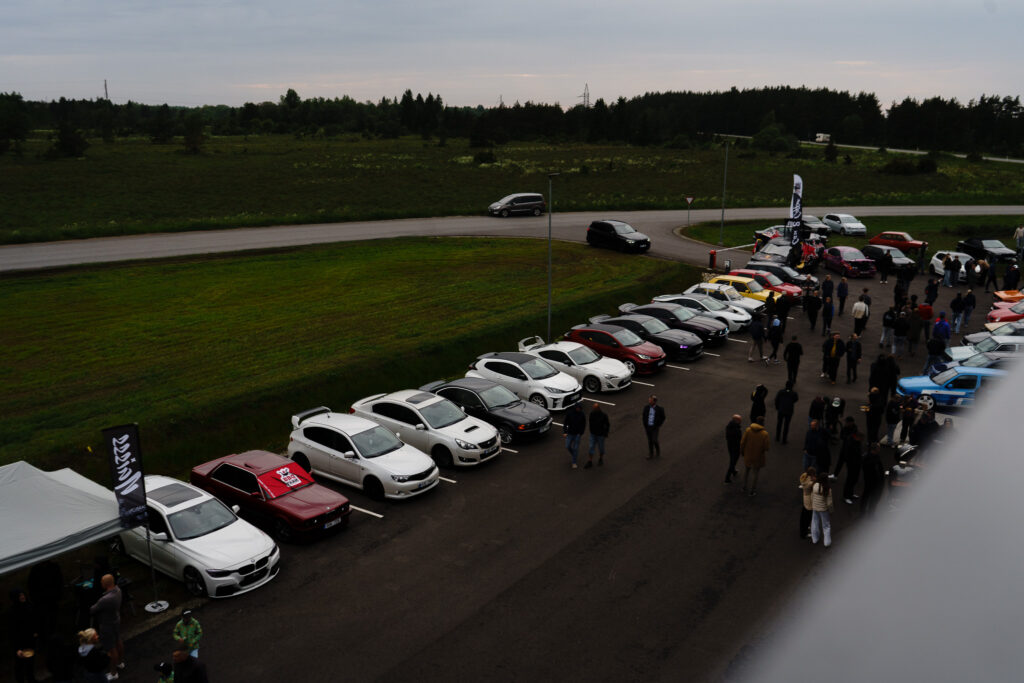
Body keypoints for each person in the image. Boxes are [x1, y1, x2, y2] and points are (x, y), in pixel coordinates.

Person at [89, 574, 122, 680]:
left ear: (106, 584)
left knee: (111, 649)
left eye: (102, 582)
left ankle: (113, 672)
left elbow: (92, 609)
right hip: (116, 620)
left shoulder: (105, 599)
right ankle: (120, 663)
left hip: (107, 625)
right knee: (118, 641)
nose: (100, 583)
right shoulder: (118, 590)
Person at [9, 588, 37, 683]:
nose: (22, 597)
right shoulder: (13, 612)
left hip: (30, 639)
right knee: (19, 664)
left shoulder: (29, 606)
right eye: (20, 596)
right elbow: (13, 632)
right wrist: (17, 648)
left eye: (23, 595)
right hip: (20, 642)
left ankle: (31, 678)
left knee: (30, 662)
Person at [740, 417, 770, 497]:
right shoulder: (764, 434)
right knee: (755, 473)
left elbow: (742, 442)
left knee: (746, 471)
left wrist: (742, 452)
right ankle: (752, 491)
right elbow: (766, 447)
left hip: (748, 454)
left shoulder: (748, 430)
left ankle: (744, 487)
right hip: (758, 457)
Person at [861, 443, 885, 516]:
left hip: (869, 480)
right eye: (879, 448)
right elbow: (877, 471)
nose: (879, 449)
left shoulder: (867, 457)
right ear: (876, 449)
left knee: (866, 496)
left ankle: (863, 512)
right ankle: (870, 513)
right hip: (873, 481)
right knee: (873, 498)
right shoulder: (874, 459)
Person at [810, 475, 835, 547]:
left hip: (815, 507)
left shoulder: (815, 485)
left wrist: (813, 505)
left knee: (815, 522)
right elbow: (829, 503)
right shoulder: (827, 489)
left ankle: (815, 539)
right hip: (823, 509)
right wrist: (831, 511)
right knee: (826, 525)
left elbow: (812, 497)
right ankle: (827, 542)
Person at [585, 403, 609, 468]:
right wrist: (591, 430)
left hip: (600, 435)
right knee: (591, 447)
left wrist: (605, 433)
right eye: (593, 408)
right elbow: (590, 422)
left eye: (595, 408)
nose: (594, 409)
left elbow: (607, 424)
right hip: (593, 434)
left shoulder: (603, 415)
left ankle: (600, 458)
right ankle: (590, 461)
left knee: (601, 448)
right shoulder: (592, 414)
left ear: (598, 408)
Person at [563, 403, 586, 469]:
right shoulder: (570, 413)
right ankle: (574, 455)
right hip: (570, 433)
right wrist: (565, 432)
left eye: (580, 408)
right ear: (575, 408)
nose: (579, 409)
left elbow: (583, 424)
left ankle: (574, 462)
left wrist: (581, 433)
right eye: (578, 408)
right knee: (567, 446)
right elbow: (565, 422)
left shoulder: (582, 414)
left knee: (576, 448)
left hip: (577, 435)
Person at [641, 395, 665, 460]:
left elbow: (663, 417)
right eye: (649, 400)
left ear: (654, 402)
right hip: (648, 427)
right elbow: (644, 416)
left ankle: (658, 450)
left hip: (655, 428)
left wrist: (658, 425)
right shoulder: (646, 408)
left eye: (650, 400)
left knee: (654, 440)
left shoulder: (660, 409)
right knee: (650, 441)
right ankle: (651, 454)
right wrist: (645, 425)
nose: (649, 401)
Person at [724, 414, 742, 483]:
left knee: (732, 458)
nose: (741, 421)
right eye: (740, 420)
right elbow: (739, 440)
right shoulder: (737, 430)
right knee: (733, 461)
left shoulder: (729, 427)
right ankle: (727, 478)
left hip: (730, 445)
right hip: (735, 447)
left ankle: (733, 471)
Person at [799, 467, 816, 539]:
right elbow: (814, 484)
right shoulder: (810, 483)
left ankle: (803, 528)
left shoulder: (805, 477)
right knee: (807, 517)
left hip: (805, 498)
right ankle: (804, 533)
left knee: (803, 516)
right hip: (809, 501)